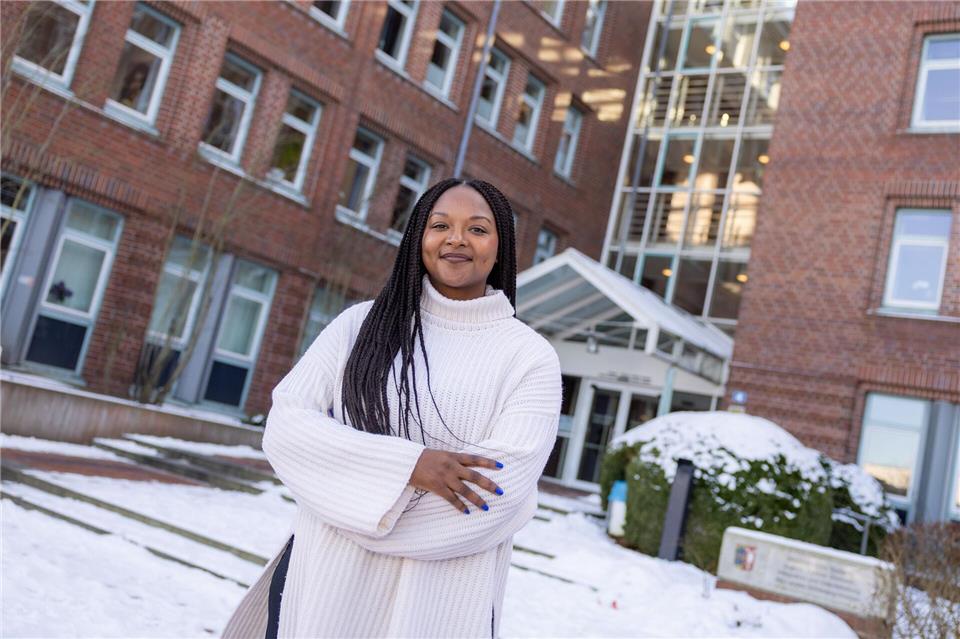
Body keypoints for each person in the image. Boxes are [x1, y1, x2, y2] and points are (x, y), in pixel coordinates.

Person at [220, 177, 563, 638]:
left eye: (478, 229)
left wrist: (344, 503)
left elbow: (496, 496)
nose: (457, 239)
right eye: (440, 225)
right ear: (418, 238)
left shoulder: (529, 357)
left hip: (438, 608)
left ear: (501, 248)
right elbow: (287, 428)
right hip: (322, 588)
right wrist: (410, 467)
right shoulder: (359, 325)